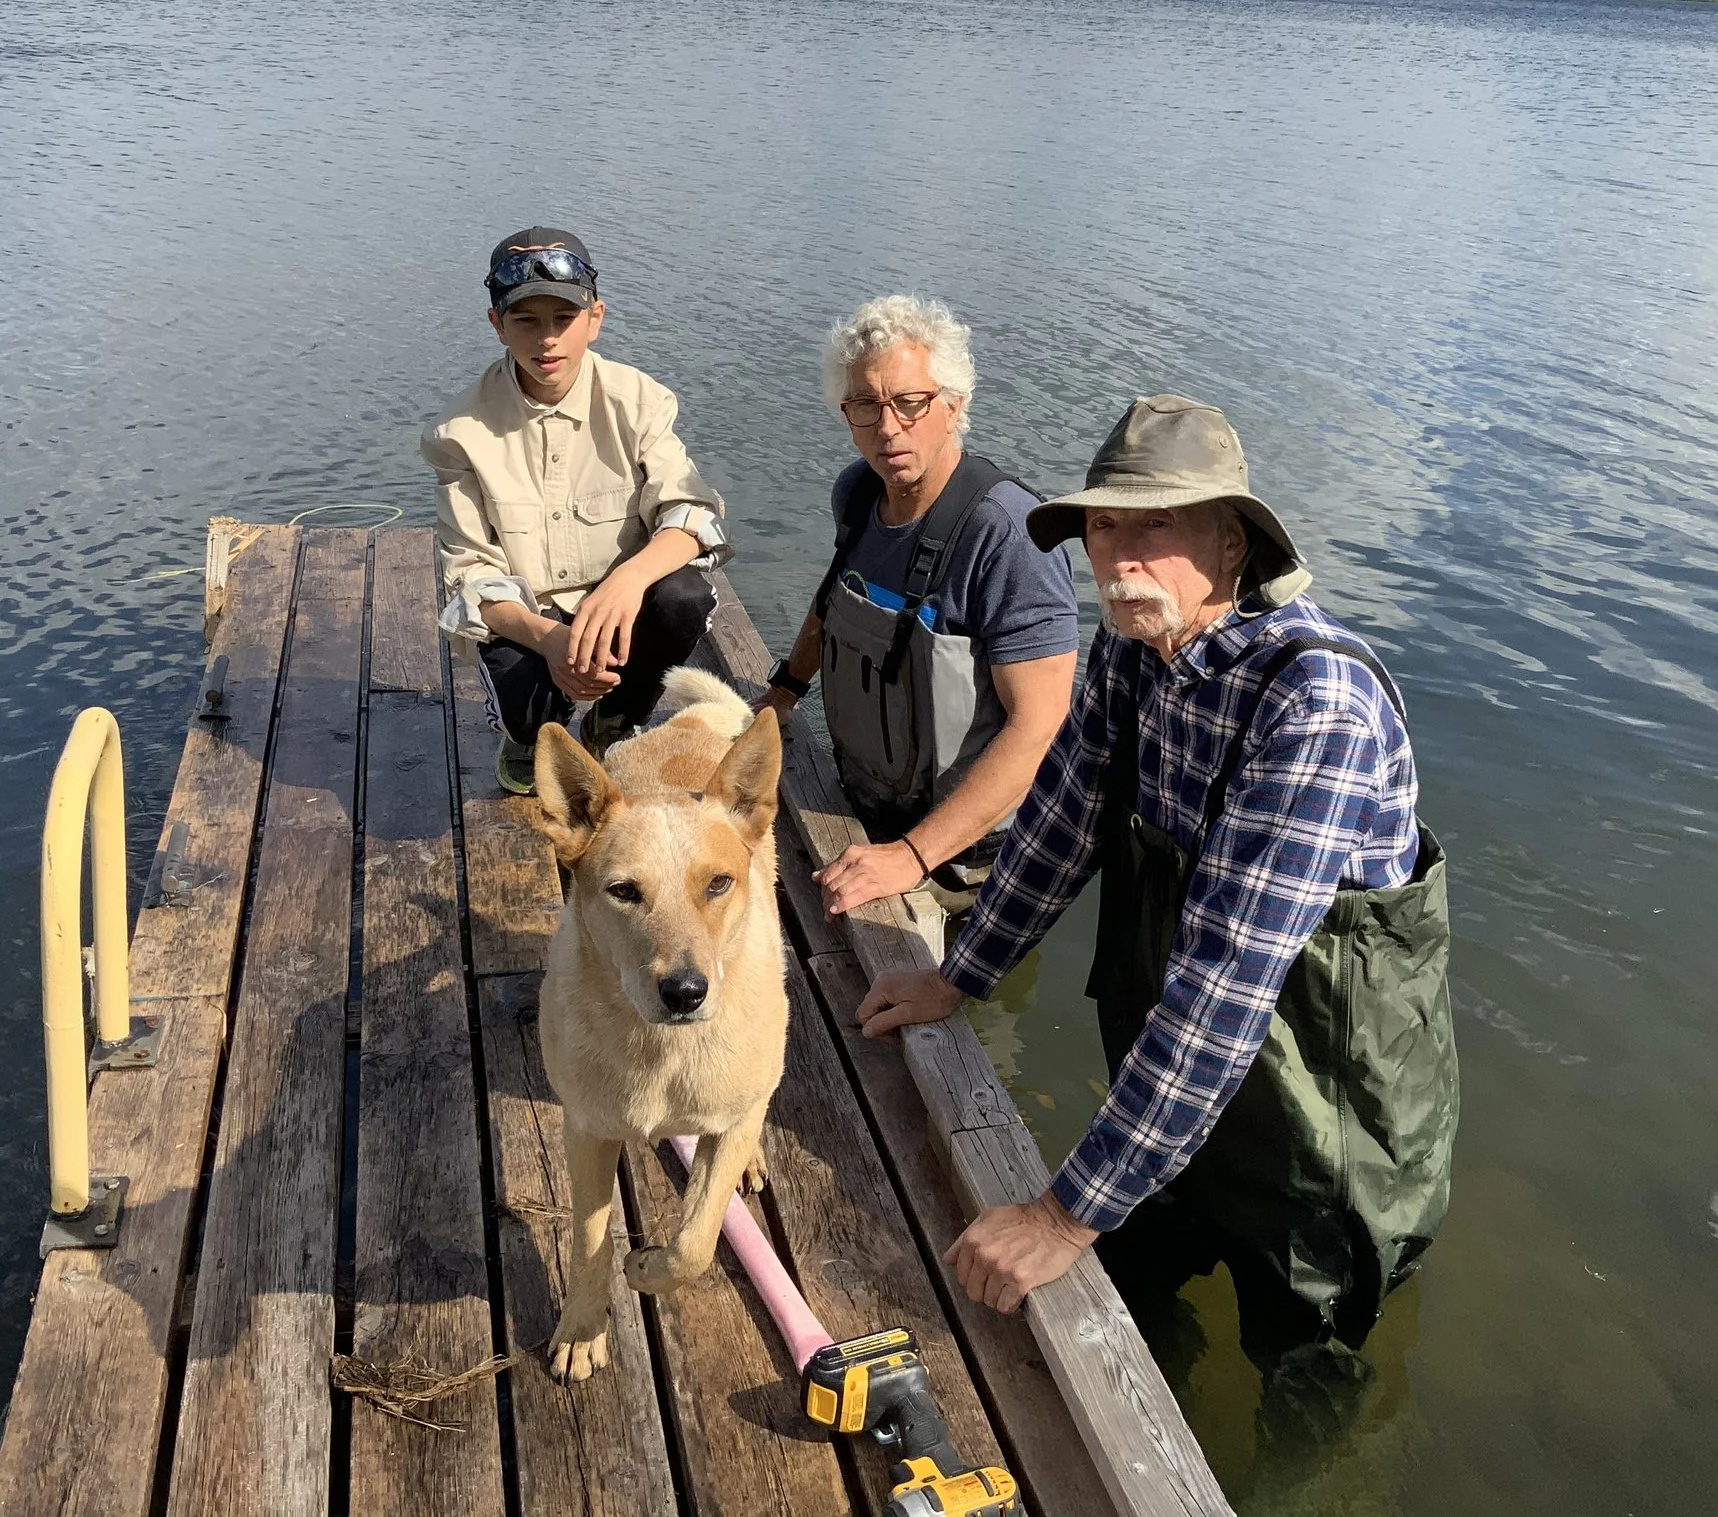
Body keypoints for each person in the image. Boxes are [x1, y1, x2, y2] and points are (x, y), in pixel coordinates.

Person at [855, 394, 1458, 1400]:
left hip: (1328, 1125)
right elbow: (1059, 825)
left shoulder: (1314, 705)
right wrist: (959, 976)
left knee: (1302, 1362)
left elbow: (1224, 985)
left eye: (1156, 525)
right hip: (1184, 1089)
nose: (1119, 555)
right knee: (1131, 1289)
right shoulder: (1137, 653)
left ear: (1232, 541)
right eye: (1103, 525)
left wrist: (1061, 1215)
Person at [752, 296, 1077, 949]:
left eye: (910, 402)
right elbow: (837, 590)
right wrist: (782, 692)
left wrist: (910, 856)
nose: (888, 428)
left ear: (954, 405)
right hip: (863, 805)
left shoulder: (1009, 537)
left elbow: (1040, 725)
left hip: (972, 861)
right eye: (865, 407)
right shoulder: (859, 492)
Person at [422, 226, 730, 794]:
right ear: (497, 324)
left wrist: (627, 583)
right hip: (532, 618)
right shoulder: (458, 434)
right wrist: (549, 640)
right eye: (526, 321)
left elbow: (693, 514)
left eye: (563, 319)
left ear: (596, 318)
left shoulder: (640, 402)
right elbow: (471, 579)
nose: (547, 341)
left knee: (684, 595)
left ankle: (615, 721)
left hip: (619, 607)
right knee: (526, 707)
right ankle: (528, 732)